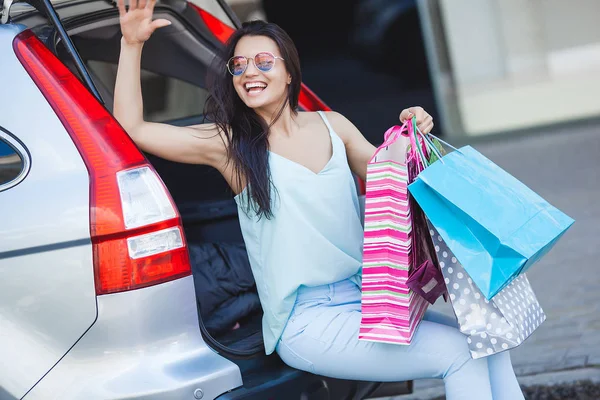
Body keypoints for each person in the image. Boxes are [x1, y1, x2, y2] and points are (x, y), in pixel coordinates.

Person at [113, 0, 524, 398]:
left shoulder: (332, 126)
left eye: (263, 62)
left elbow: (394, 176)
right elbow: (133, 128)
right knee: (458, 356)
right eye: (238, 66)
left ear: (290, 73)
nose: (248, 73)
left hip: (369, 299)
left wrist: (413, 131)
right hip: (308, 322)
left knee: (487, 335)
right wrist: (132, 44)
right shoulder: (230, 145)